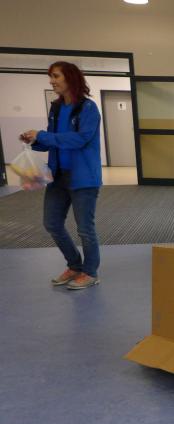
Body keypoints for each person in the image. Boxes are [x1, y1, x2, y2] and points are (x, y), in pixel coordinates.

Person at [20, 61, 102, 290]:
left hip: (83, 178)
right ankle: (74, 265)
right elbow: (53, 141)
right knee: (52, 223)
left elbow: (80, 139)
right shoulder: (56, 108)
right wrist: (35, 141)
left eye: (56, 76)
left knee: (85, 229)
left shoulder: (88, 108)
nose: (52, 81)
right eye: (51, 77)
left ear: (70, 78)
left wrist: (43, 135)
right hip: (57, 176)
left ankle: (90, 272)